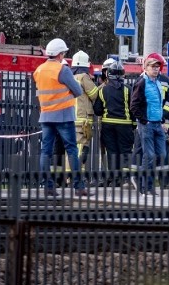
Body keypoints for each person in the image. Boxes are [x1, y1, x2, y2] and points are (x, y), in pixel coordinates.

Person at [34, 38, 90, 197]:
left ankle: (48, 186)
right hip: (64, 116)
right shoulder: (62, 70)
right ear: (60, 54)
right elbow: (78, 91)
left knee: (46, 152)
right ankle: (78, 187)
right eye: (64, 53)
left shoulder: (39, 70)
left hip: (45, 116)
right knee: (71, 149)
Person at [130, 55, 169, 196]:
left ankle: (146, 185)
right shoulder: (142, 82)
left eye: (157, 67)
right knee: (149, 155)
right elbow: (134, 105)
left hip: (157, 123)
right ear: (146, 68)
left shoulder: (158, 83)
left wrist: (161, 120)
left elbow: (160, 104)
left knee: (161, 154)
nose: (155, 69)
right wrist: (143, 120)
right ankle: (145, 187)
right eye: (152, 66)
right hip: (147, 124)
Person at [93, 61, 133, 188]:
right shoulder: (128, 90)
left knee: (112, 152)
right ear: (123, 75)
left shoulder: (102, 90)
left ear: (108, 74)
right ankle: (126, 179)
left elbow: (97, 110)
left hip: (107, 125)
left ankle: (114, 178)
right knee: (125, 151)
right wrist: (134, 124)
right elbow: (133, 109)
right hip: (124, 125)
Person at [70, 50, 99, 171]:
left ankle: (70, 176)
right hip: (83, 119)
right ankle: (76, 175)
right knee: (82, 147)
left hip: (72, 117)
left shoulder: (70, 77)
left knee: (73, 148)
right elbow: (94, 94)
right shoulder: (83, 77)